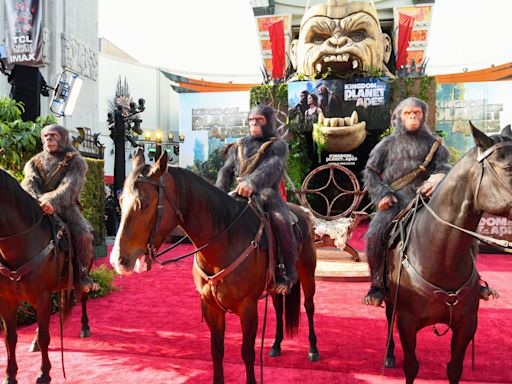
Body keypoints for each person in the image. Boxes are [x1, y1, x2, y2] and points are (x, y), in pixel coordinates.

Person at [362, 98, 451, 306]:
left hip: (428, 202)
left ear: (424, 115)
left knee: (460, 229)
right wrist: (381, 194)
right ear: (398, 117)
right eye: (408, 113)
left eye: (417, 113)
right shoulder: (387, 145)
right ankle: (377, 285)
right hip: (397, 202)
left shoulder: (435, 144)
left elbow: (444, 168)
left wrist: (437, 178)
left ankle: (474, 281)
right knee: (374, 236)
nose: (412, 116)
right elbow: (371, 172)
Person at [216, 105, 297, 294]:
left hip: (267, 195)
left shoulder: (277, 145)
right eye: (251, 120)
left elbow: (271, 168)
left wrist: (251, 183)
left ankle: (289, 272)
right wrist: (218, 192)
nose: (254, 123)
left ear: (269, 121)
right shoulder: (240, 145)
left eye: (259, 120)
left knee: (281, 221)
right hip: (238, 193)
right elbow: (226, 171)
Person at [22, 124, 100, 293]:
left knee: (84, 235)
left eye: (53, 136)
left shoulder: (77, 161)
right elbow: (29, 183)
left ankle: (82, 275)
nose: (49, 139)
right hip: (38, 208)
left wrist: (51, 201)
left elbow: (70, 187)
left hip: (66, 208)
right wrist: (35, 203)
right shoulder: (33, 163)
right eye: (46, 136)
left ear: (64, 138)